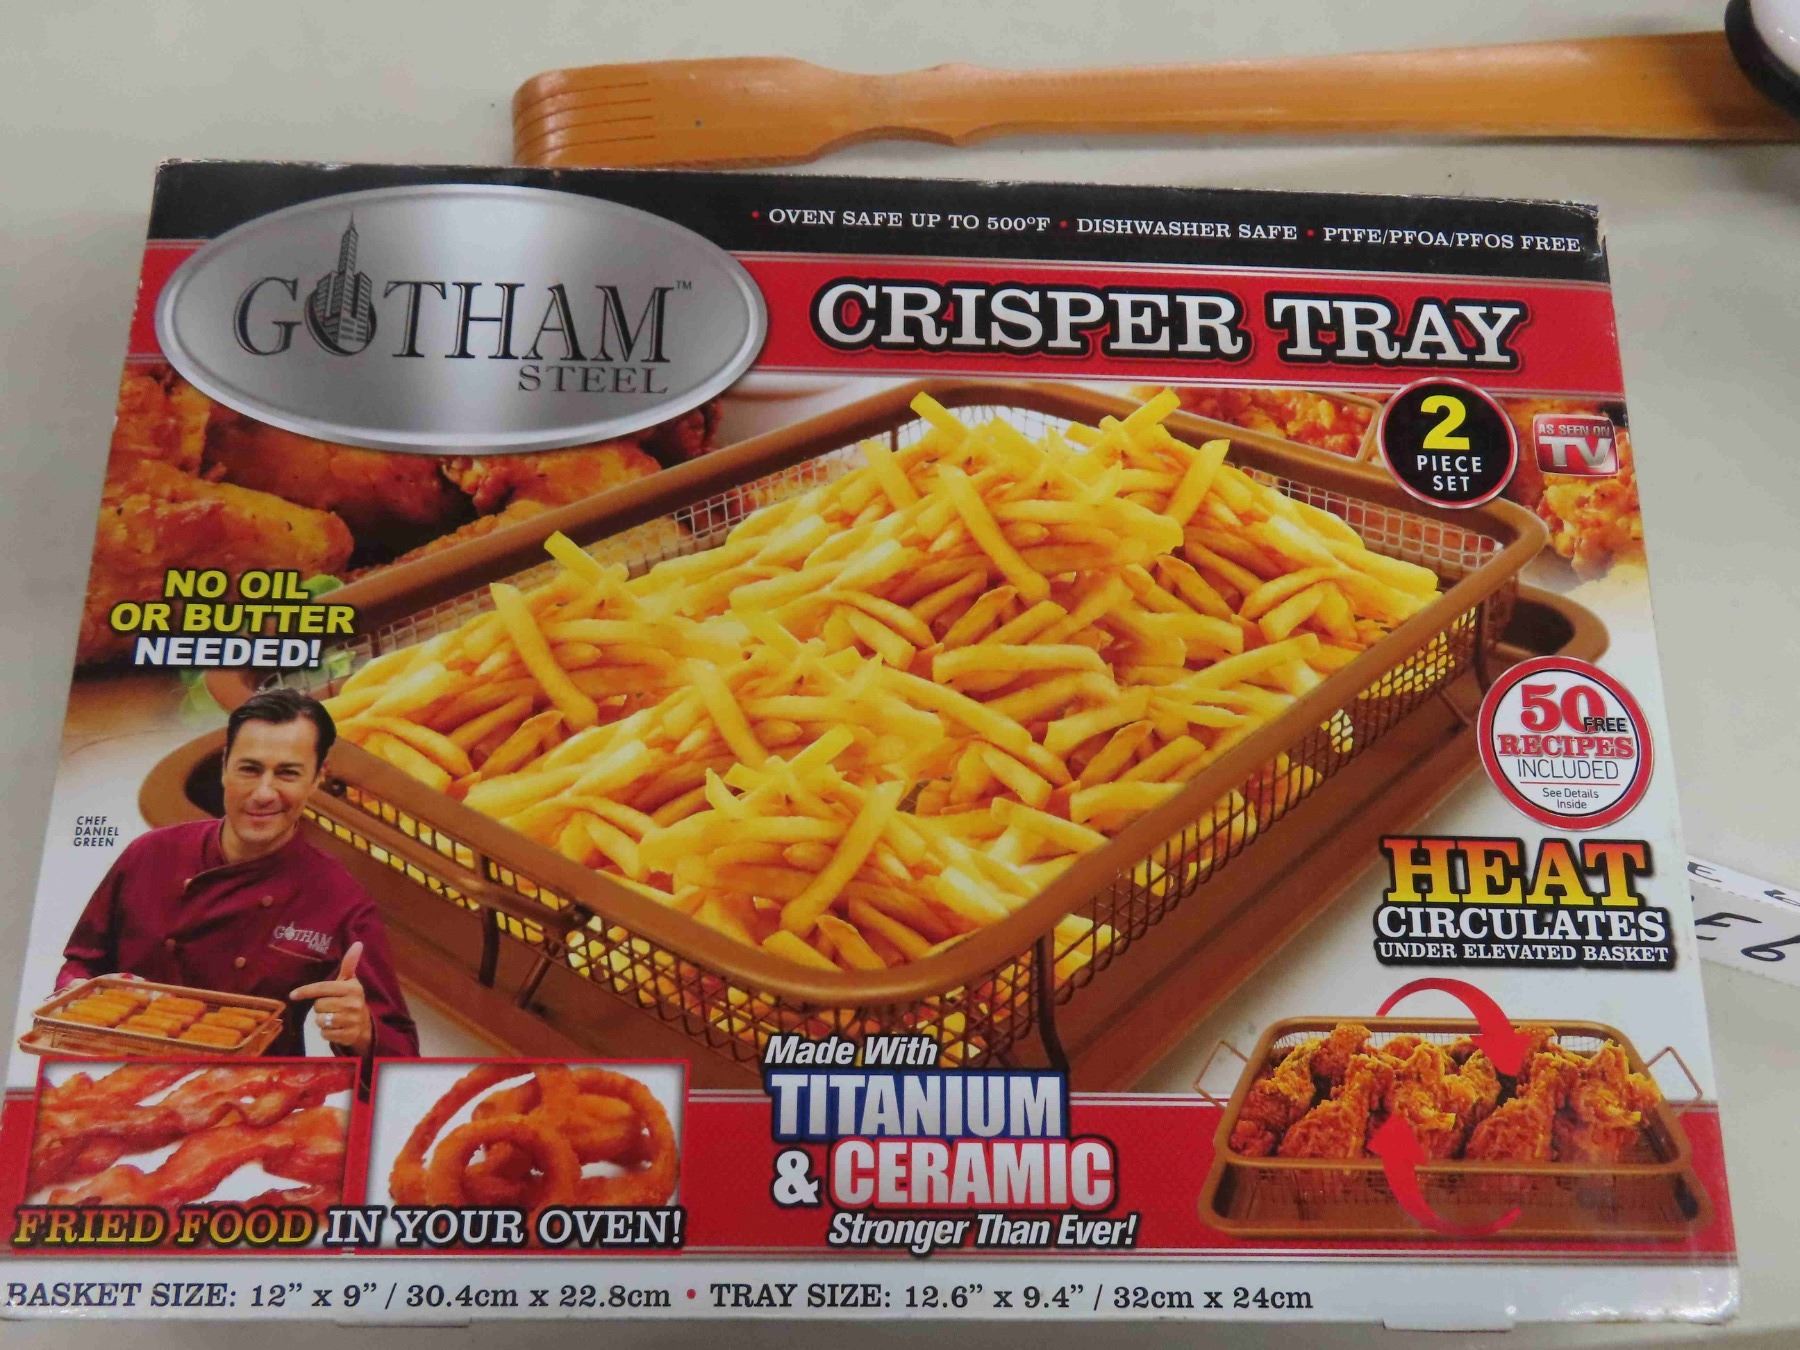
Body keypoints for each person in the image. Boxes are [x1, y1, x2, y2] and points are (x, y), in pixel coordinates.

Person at [59, 688, 418, 1059]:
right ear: (225, 767)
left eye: (288, 773)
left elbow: (402, 1054)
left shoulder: (340, 901)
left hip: (256, 1086)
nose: (264, 793)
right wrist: (75, 993)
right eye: (250, 769)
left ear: (316, 779)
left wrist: (363, 1032)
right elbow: (82, 962)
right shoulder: (150, 854)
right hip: (123, 1072)